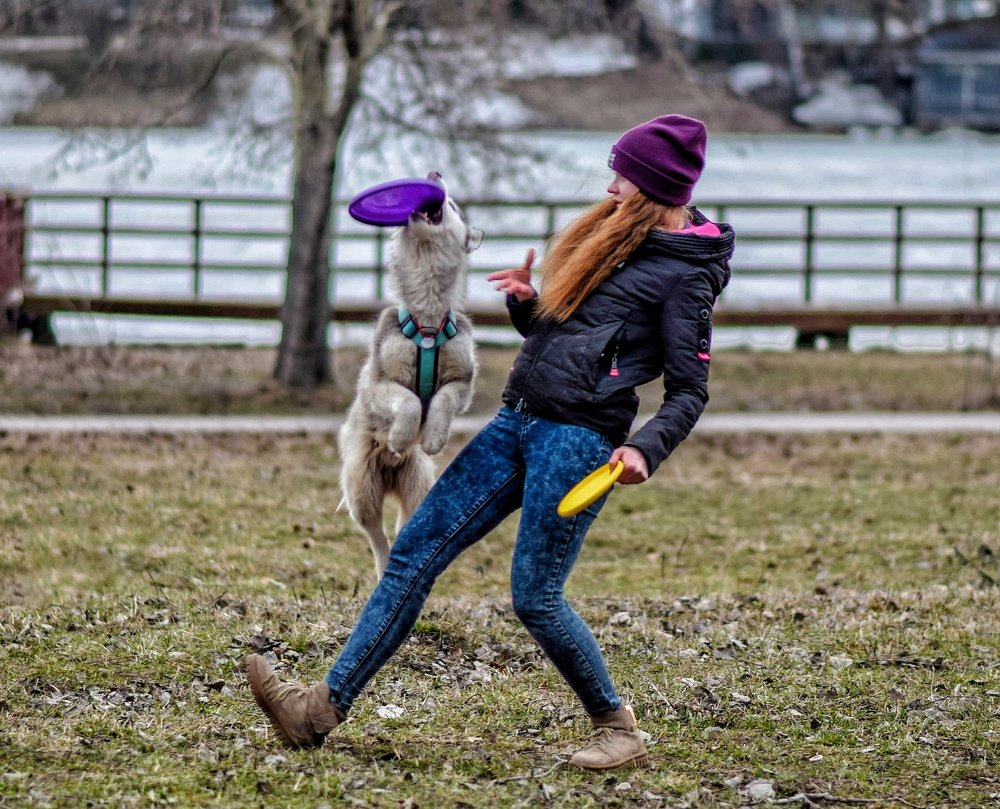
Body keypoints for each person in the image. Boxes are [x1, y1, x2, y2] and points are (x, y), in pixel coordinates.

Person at [246, 114, 735, 771]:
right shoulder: (620, 239)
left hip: (579, 441)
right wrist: (530, 305)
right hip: (519, 419)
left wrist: (646, 446)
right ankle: (315, 712)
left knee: (534, 594)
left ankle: (617, 727)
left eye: (623, 174)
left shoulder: (687, 275)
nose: (611, 184)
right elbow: (574, 335)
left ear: (653, 188)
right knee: (414, 549)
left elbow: (688, 390)